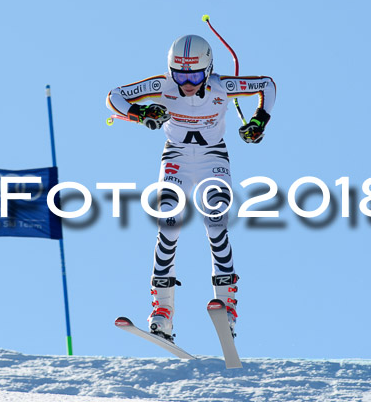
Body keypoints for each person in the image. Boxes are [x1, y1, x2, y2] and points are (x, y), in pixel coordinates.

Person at [105, 34, 276, 341]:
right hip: (176, 158)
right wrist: (140, 114)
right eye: (180, 74)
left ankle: (226, 306)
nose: (186, 83)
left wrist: (259, 121)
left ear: (208, 70)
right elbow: (115, 96)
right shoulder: (163, 86)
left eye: (194, 75)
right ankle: (163, 311)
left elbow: (267, 85)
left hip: (213, 158)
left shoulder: (223, 86)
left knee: (215, 222)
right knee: (168, 224)